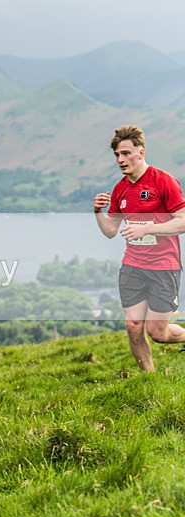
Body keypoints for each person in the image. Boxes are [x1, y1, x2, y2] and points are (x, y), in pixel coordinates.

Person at [94, 125, 185, 372]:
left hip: (164, 266)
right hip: (133, 265)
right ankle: (149, 379)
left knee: (158, 332)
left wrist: (147, 229)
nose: (121, 160)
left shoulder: (164, 181)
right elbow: (111, 231)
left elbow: (182, 221)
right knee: (133, 326)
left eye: (126, 153)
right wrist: (97, 213)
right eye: (117, 155)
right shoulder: (120, 189)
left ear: (141, 152)